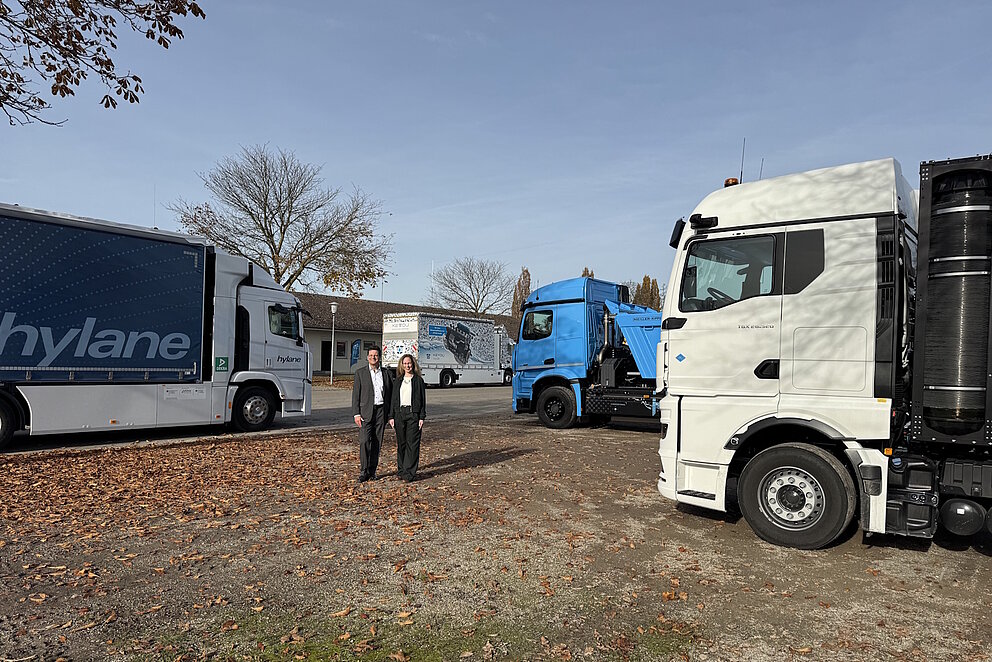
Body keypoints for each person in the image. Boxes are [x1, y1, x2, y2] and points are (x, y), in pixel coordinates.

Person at [351, 346, 392, 482]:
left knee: (377, 442)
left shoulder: (386, 373)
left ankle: (372, 471)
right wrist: (356, 413)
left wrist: (390, 415)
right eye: (370, 355)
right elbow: (356, 395)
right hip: (365, 413)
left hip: (381, 412)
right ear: (367, 357)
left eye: (375, 355)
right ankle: (364, 471)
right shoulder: (360, 373)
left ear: (379, 357)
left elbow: (390, 396)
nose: (373, 357)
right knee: (364, 441)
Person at [389, 353, 427, 482]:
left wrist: (422, 416)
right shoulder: (398, 381)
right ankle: (401, 470)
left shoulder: (418, 381)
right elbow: (393, 399)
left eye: (409, 363)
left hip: (413, 415)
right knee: (402, 444)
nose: (407, 365)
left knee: (412, 444)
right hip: (400, 414)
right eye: (405, 363)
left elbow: (422, 400)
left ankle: (409, 473)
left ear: (413, 364)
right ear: (401, 365)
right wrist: (391, 416)